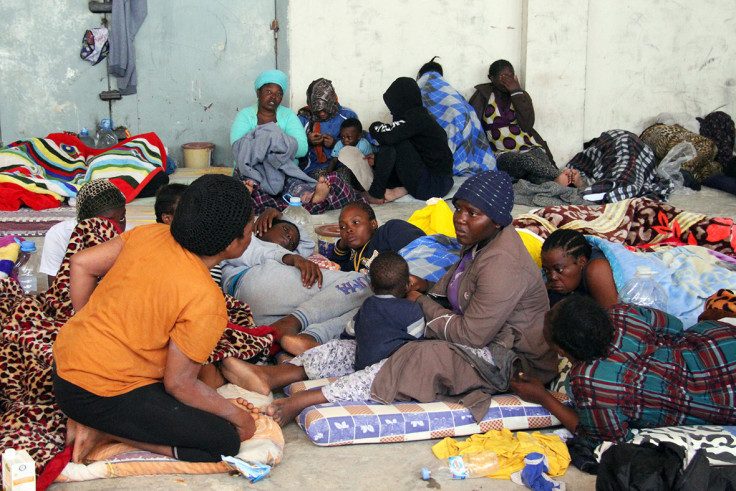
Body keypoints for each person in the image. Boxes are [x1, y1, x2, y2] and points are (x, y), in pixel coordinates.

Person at [222, 170, 558, 426]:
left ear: (498, 221)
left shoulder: (504, 264)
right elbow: (453, 280)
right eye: (460, 209)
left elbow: (472, 335)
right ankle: (280, 375)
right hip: (465, 331)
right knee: (380, 328)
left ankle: (306, 398)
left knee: (413, 356)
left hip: (504, 359)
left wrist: (417, 300)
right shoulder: (483, 241)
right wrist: (423, 287)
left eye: (473, 214)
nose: (460, 219)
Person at [52, 174, 259, 464]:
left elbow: (81, 263)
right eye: (250, 229)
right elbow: (178, 385)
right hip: (95, 394)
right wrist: (241, 419)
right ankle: (106, 432)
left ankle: (99, 420)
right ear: (233, 243)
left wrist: (90, 328)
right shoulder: (206, 299)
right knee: (225, 439)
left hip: (62, 364)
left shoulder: (150, 233)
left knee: (203, 383)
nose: (252, 235)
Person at [511, 295, 736, 445]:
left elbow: (605, 438)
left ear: (561, 350)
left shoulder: (590, 380)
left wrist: (544, 397)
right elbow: (675, 326)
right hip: (721, 345)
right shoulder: (623, 313)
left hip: (723, 399)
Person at [232, 70, 366, 215]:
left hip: (285, 172)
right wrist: (274, 139)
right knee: (242, 193)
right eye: (268, 91)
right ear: (258, 93)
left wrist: (269, 143)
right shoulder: (245, 116)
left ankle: (311, 198)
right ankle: (259, 196)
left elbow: (301, 149)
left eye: (278, 94)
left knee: (300, 191)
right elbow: (239, 150)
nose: (273, 97)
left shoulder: (288, 115)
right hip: (253, 172)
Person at [469, 59, 582, 188]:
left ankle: (560, 184)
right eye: (502, 77)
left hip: (529, 147)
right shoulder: (483, 96)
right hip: (503, 154)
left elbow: (527, 125)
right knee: (526, 161)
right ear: (491, 78)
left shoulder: (520, 95)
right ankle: (561, 176)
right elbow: (472, 125)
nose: (507, 80)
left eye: (510, 76)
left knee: (536, 165)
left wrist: (516, 93)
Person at [364, 77, 454, 203]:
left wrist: (374, 126)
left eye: (392, 105)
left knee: (392, 142)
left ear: (401, 101)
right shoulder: (421, 118)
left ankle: (376, 193)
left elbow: (388, 137)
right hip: (442, 182)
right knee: (394, 140)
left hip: (432, 185)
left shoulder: (416, 118)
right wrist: (378, 158)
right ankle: (401, 189)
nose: (391, 112)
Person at [416, 56, 497, 176]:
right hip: (460, 152)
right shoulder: (453, 95)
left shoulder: (418, 91)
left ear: (419, 76)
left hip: (429, 156)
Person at [39, 178, 127, 287]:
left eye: (122, 218)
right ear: (85, 222)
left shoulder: (130, 235)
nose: (117, 228)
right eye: (106, 223)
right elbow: (56, 291)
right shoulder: (59, 235)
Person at [329, 201, 425, 273]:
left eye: (356, 222)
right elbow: (336, 269)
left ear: (373, 223)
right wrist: (342, 245)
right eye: (342, 227)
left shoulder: (389, 230)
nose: (348, 229)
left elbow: (422, 249)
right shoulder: (357, 261)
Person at [297, 78, 359, 179]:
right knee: (325, 183)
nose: (321, 113)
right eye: (317, 110)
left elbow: (359, 147)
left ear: (332, 101)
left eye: (325, 109)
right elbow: (294, 146)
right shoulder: (304, 118)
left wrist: (336, 144)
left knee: (342, 181)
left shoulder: (347, 116)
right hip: (315, 167)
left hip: (343, 165)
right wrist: (307, 141)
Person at [541, 229, 617, 308]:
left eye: (559, 270)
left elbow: (614, 317)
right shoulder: (554, 273)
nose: (552, 277)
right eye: (546, 270)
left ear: (582, 262)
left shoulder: (597, 271)